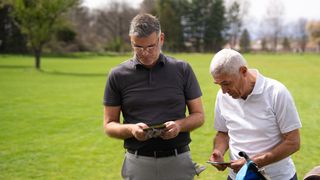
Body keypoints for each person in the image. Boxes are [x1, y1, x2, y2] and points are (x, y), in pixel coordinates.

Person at [103, 13, 205, 180]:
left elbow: (199, 116)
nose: (145, 53)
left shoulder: (182, 69)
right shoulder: (117, 75)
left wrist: (179, 125)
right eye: (138, 47)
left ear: (161, 39)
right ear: (131, 40)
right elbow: (109, 125)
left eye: (151, 46)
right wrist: (131, 129)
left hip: (178, 161)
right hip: (137, 162)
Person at [208, 49, 302, 180]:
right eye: (219, 84)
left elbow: (293, 142)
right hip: (237, 177)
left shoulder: (276, 92)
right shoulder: (222, 96)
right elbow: (223, 133)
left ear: (243, 71)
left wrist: (252, 163)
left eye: (226, 83)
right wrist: (218, 151)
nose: (223, 91)